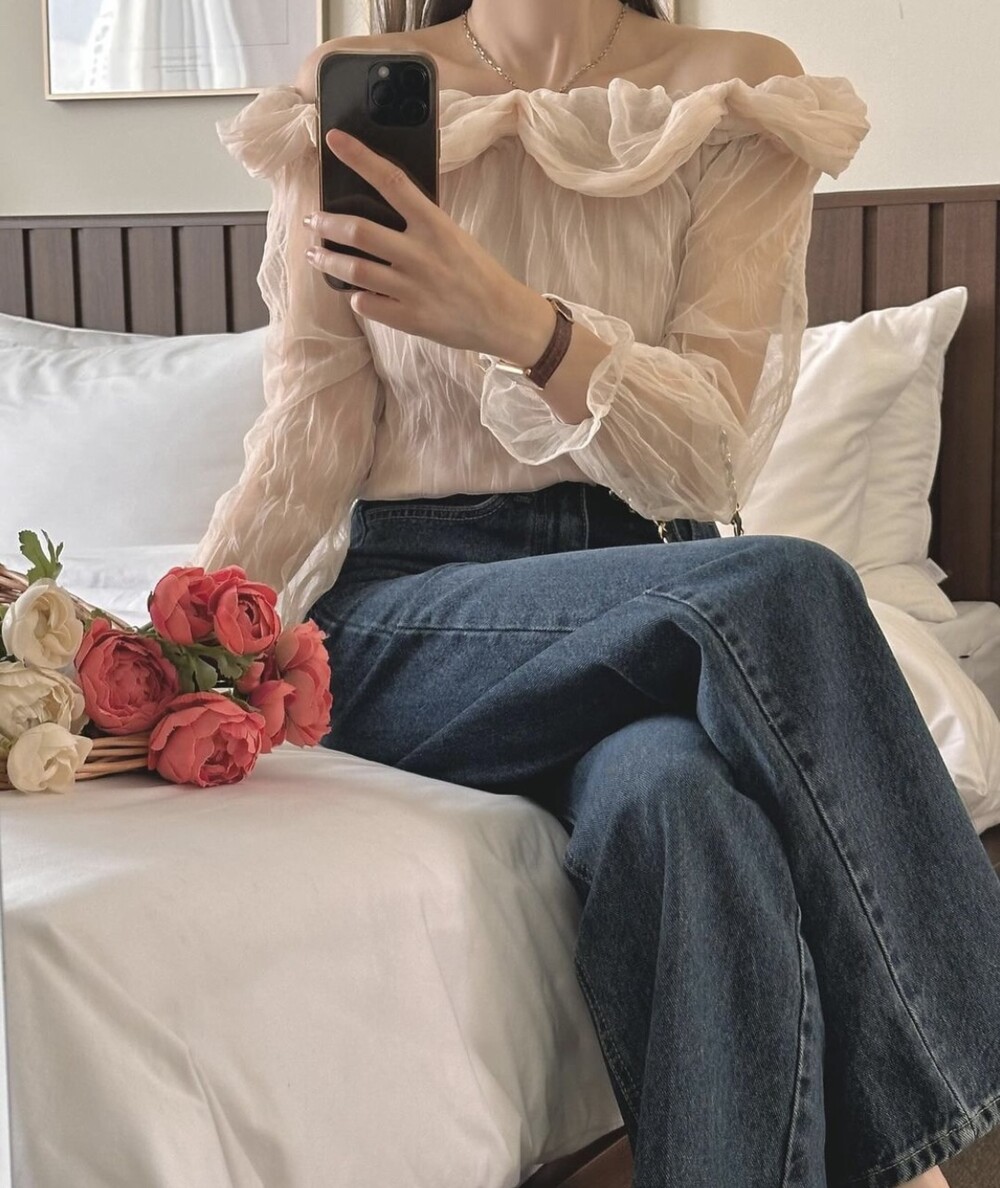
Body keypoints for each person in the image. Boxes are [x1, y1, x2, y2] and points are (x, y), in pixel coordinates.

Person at [192, 2, 1000, 1184]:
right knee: (785, 585)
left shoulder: (731, 92)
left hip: (651, 582)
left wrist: (515, 323)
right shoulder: (361, 88)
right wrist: (188, 642)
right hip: (416, 612)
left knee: (679, 802)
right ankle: (941, 1141)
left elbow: (708, 461)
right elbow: (310, 423)